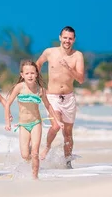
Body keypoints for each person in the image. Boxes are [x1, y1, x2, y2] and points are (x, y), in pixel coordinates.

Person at [36, 26, 85, 168]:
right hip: (52, 97)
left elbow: (81, 79)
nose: (67, 41)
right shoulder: (49, 52)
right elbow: (37, 64)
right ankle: (47, 147)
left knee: (68, 133)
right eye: (65, 38)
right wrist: (39, 84)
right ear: (60, 37)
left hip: (68, 98)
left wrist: (69, 68)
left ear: (74, 40)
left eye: (70, 38)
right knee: (56, 125)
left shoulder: (77, 56)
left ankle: (68, 163)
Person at [4, 60, 62, 179]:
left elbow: (48, 105)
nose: (30, 75)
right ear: (22, 75)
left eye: (32, 73)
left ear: (36, 74)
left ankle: (35, 178)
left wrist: (57, 120)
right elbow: (7, 103)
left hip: (36, 123)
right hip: (23, 125)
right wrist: (8, 122)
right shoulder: (19, 87)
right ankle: (30, 160)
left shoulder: (40, 90)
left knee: (35, 153)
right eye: (27, 73)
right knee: (25, 155)